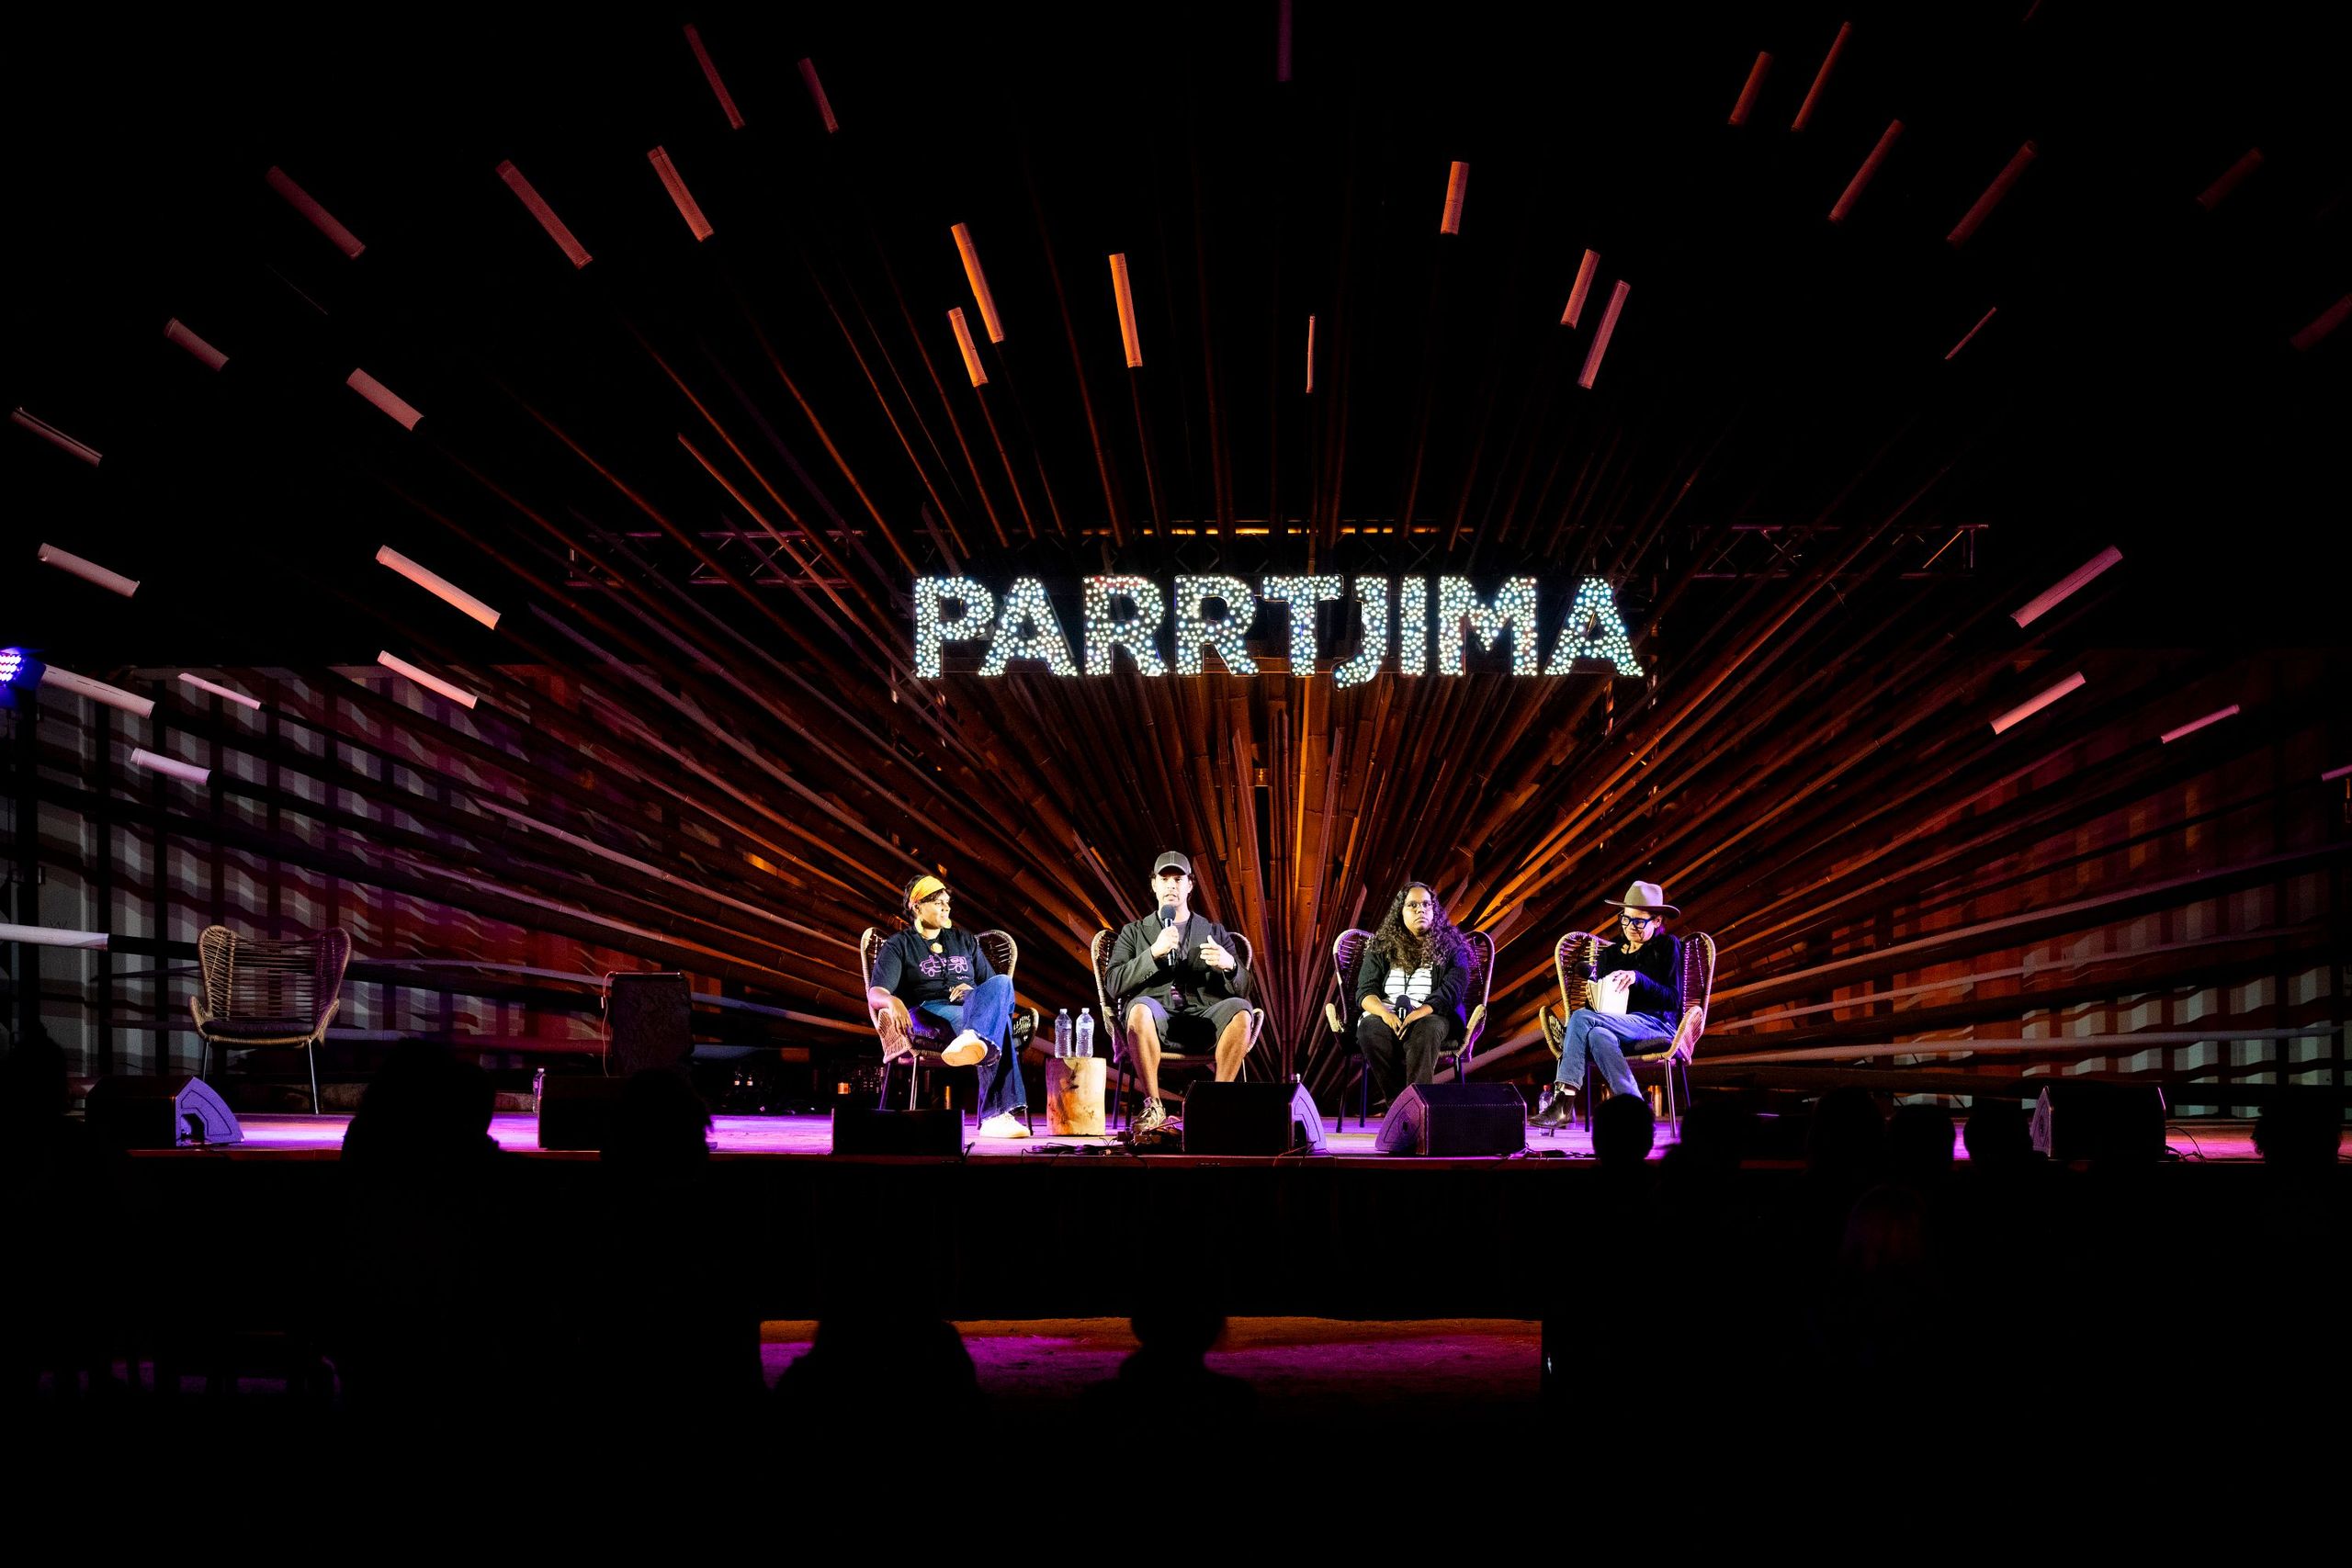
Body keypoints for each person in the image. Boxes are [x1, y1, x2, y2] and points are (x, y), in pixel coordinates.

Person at [866, 874, 1030, 1139]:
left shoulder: (964, 941)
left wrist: (973, 992)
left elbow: (996, 990)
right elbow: (876, 992)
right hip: (930, 1011)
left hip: (971, 1008)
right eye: (938, 902)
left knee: (1002, 982)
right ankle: (996, 1115)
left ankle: (972, 1036)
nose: (946, 908)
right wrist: (892, 1000)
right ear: (916, 906)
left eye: (947, 902)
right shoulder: (900, 945)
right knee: (999, 1026)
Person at [1103, 852, 1255, 1135]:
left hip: (1203, 1018)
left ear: (1190, 885)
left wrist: (1230, 964)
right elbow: (1113, 984)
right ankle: (1154, 1106)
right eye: (1164, 879)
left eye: (1178, 879)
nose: (1171, 886)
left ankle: (1215, 1106)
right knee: (1138, 1009)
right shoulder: (1134, 932)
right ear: (1154, 885)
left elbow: (1245, 991)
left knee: (1241, 1011)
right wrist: (1153, 954)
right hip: (1157, 1020)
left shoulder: (1213, 930)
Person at [1534, 880, 1686, 1130]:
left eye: (1639, 921)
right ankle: (1637, 1109)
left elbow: (1673, 998)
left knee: (1581, 1019)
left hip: (1656, 1024)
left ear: (1657, 920)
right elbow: (1596, 1008)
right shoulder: (1610, 955)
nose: (1630, 927)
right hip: (1615, 1023)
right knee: (1596, 1034)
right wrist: (1595, 995)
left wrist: (1638, 979)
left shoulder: (1667, 947)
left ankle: (1563, 1102)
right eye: (1626, 919)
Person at [1351, 882, 1473, 1109]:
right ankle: (1399, 1107)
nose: (1420, 910)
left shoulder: (1452, 947)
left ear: (1434, 911)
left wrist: (1420, 1013)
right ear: (1401, 911)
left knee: (1428, 1029)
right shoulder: (1381, 946)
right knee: (1369, 1030)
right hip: (1386, 1014)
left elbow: (1452, 990)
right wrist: (1386, 1015)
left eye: (1426, 904)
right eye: (1412, 905)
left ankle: (1416, 1108)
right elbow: (1365, 991)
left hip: (1431, 1014)